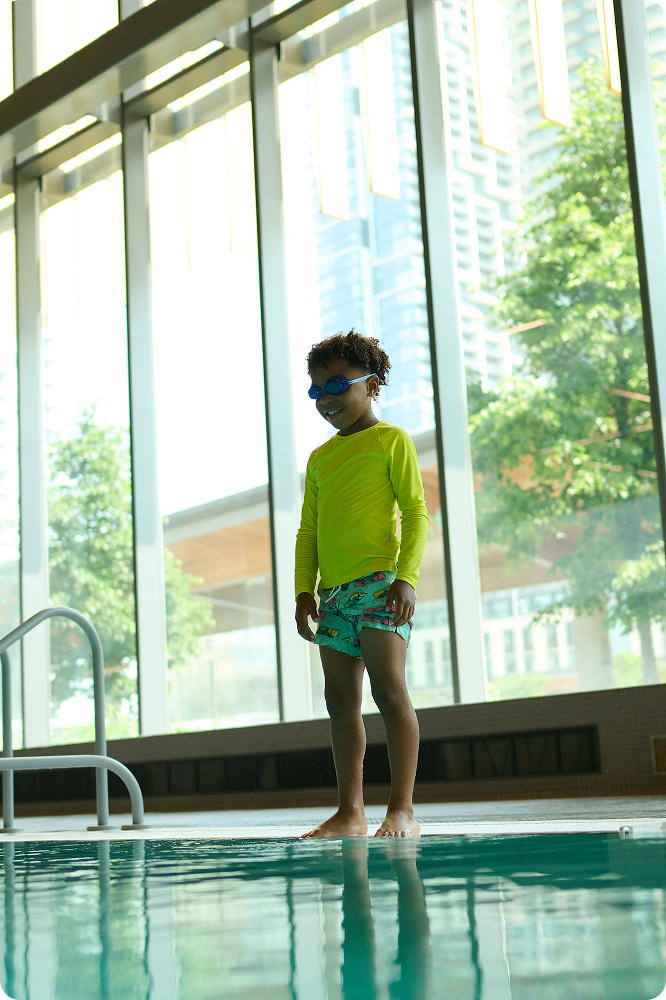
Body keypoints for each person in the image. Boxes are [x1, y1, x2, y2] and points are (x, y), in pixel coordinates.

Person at [295, 330, 429, 839]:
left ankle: (402, 809)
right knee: (338, 701)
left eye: (336, 385)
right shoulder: (320, 459)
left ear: (371, 385)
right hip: (334, 595)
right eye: (316, 391)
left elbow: (415, 513)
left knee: (390, 693)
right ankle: (350, 812)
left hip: (379, 584)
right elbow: (308, 530)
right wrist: (303, 590)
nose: (326, 399)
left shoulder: (390, 440)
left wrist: (406, 578)